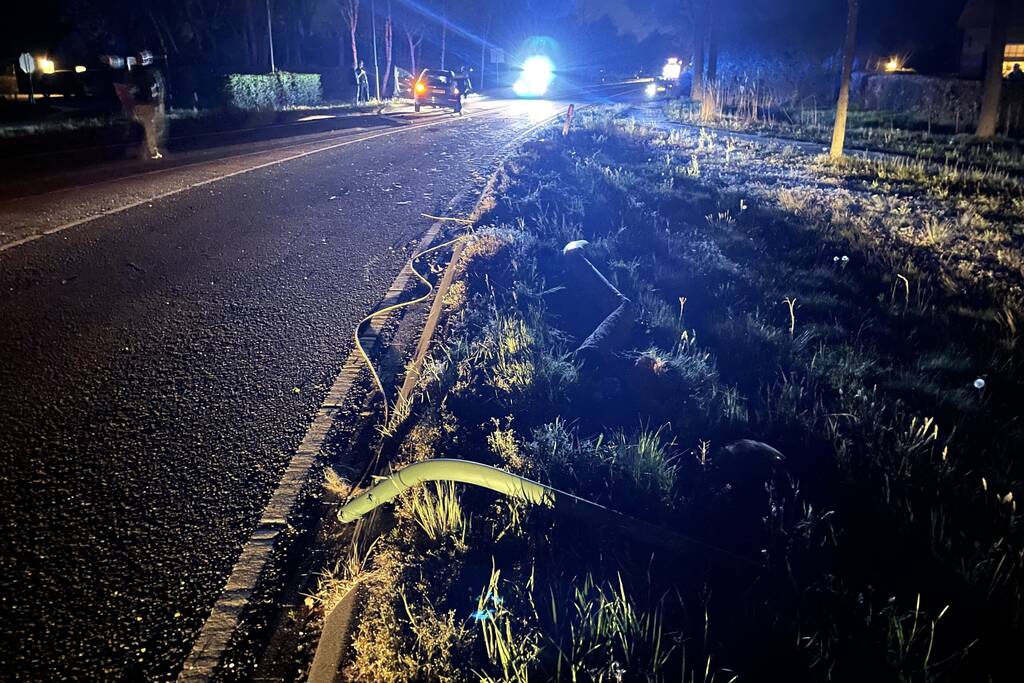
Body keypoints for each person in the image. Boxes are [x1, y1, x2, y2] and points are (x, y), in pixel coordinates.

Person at [131, 51, 166, 160]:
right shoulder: (147, 72)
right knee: (151, 128)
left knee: (155, 128)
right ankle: (151, 151)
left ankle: (147, 149)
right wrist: (156, 101)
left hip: (144, 103)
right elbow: (153, 88)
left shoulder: (137, 72)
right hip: (147, 104)